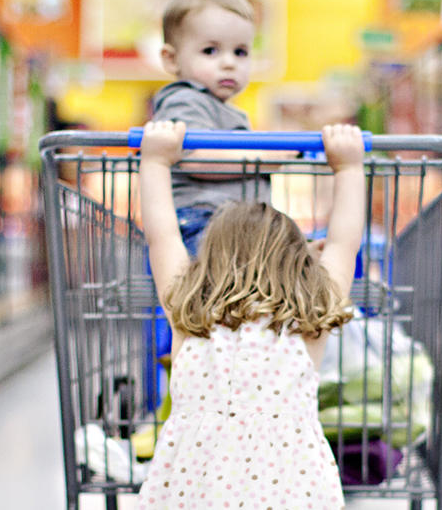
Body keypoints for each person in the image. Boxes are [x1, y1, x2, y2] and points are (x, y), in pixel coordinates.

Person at [136, 120, 365, 509]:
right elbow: (345, 241)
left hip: (197, 492)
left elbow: (163, 234)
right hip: (292, 491)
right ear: (298, 263)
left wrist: (155, 160)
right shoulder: (309, 317)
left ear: (208, 259)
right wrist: (349, 168)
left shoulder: (189, 314)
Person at [151, 0, 278, 253]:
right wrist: (267, 157)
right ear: (172, 59)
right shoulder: (184, 99)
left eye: (240, 52)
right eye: (210, 51)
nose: (229, 62)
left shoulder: (222, 108)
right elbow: (198, 159)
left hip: (231, 225)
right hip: (203, 223)